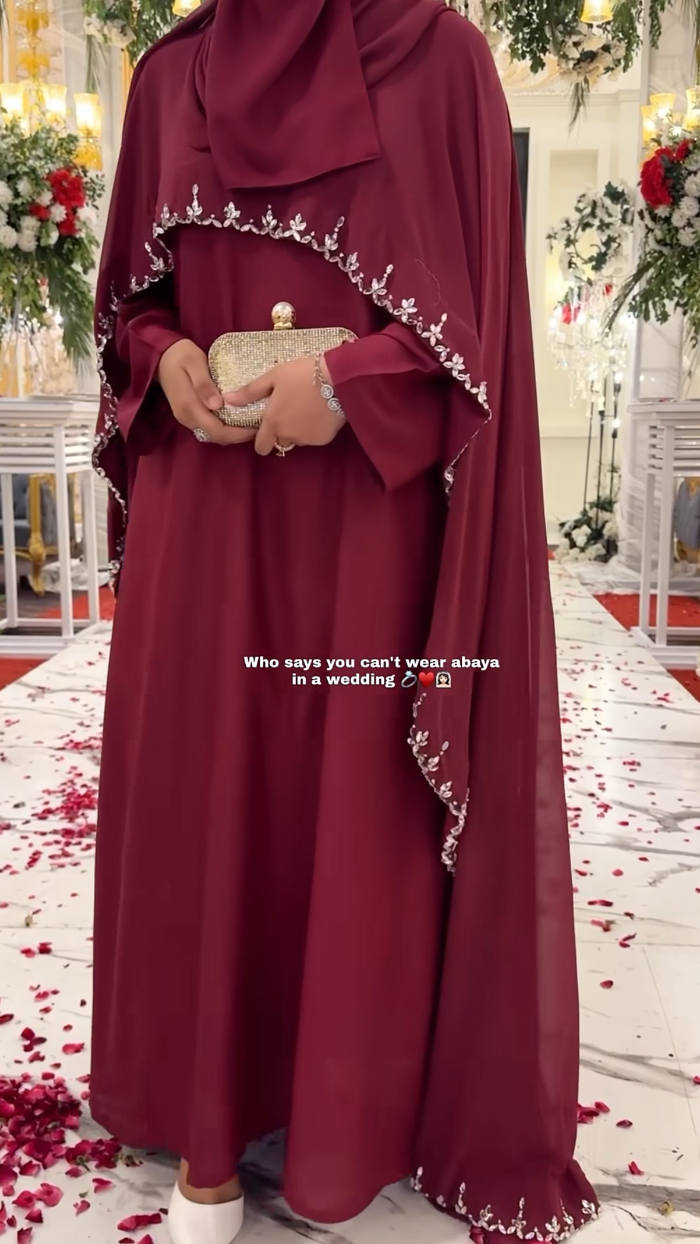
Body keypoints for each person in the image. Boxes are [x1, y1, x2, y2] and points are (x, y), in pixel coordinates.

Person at [91, 0, 599, 1241]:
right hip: (207, 527)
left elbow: (476, 337)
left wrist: (346, 381)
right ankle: (206, 1112)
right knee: (210, 786)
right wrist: (164, 358)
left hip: (362, 531)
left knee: (351, 798)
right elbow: (131, 307)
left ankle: (340, 1115)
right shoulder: (169, 77)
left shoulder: (439, 62)